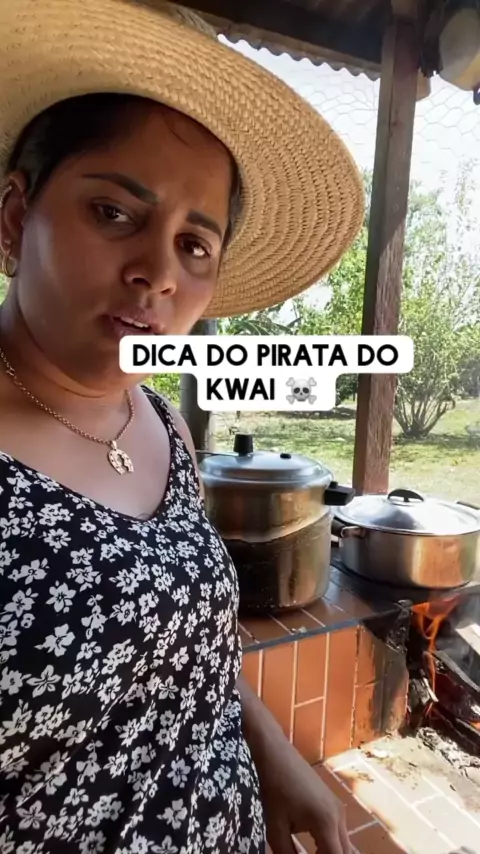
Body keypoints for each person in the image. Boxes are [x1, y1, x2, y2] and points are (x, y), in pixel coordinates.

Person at [0, 1, 364, 852]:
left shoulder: (163, 422)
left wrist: (275, 753)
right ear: (16, 216)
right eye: (113, 213)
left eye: (195, 245)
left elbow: (181, 643)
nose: (157, 273)